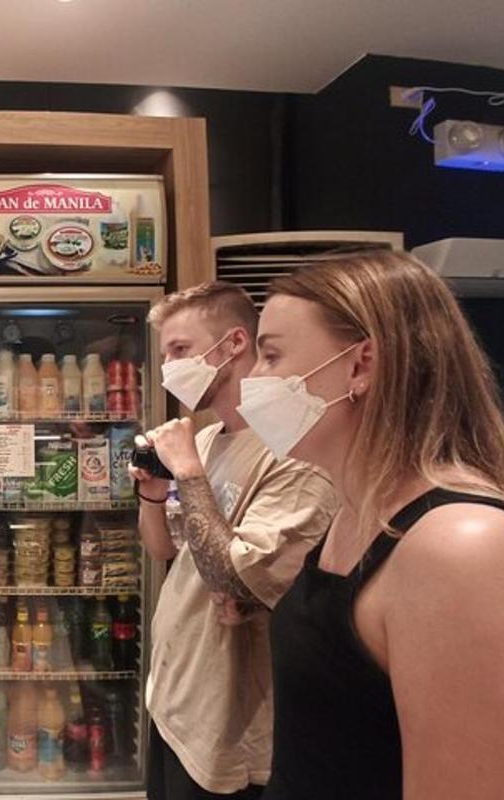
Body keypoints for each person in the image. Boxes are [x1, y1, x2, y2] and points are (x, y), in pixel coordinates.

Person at [246, 251, 504, 799]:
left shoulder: (466, 547)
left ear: (361, 364)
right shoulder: (357, 510)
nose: (253, 380)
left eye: (270, 356)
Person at [132, 281, 337, 800]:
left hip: (228, 729)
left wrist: (187, 473)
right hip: (176, 698)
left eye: (180, 350)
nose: (169, 368)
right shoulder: (203, 440)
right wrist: (154, 493)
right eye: (165, 356)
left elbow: (235, 579)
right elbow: (166, 552)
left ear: (234, 345)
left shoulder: (294, 453)